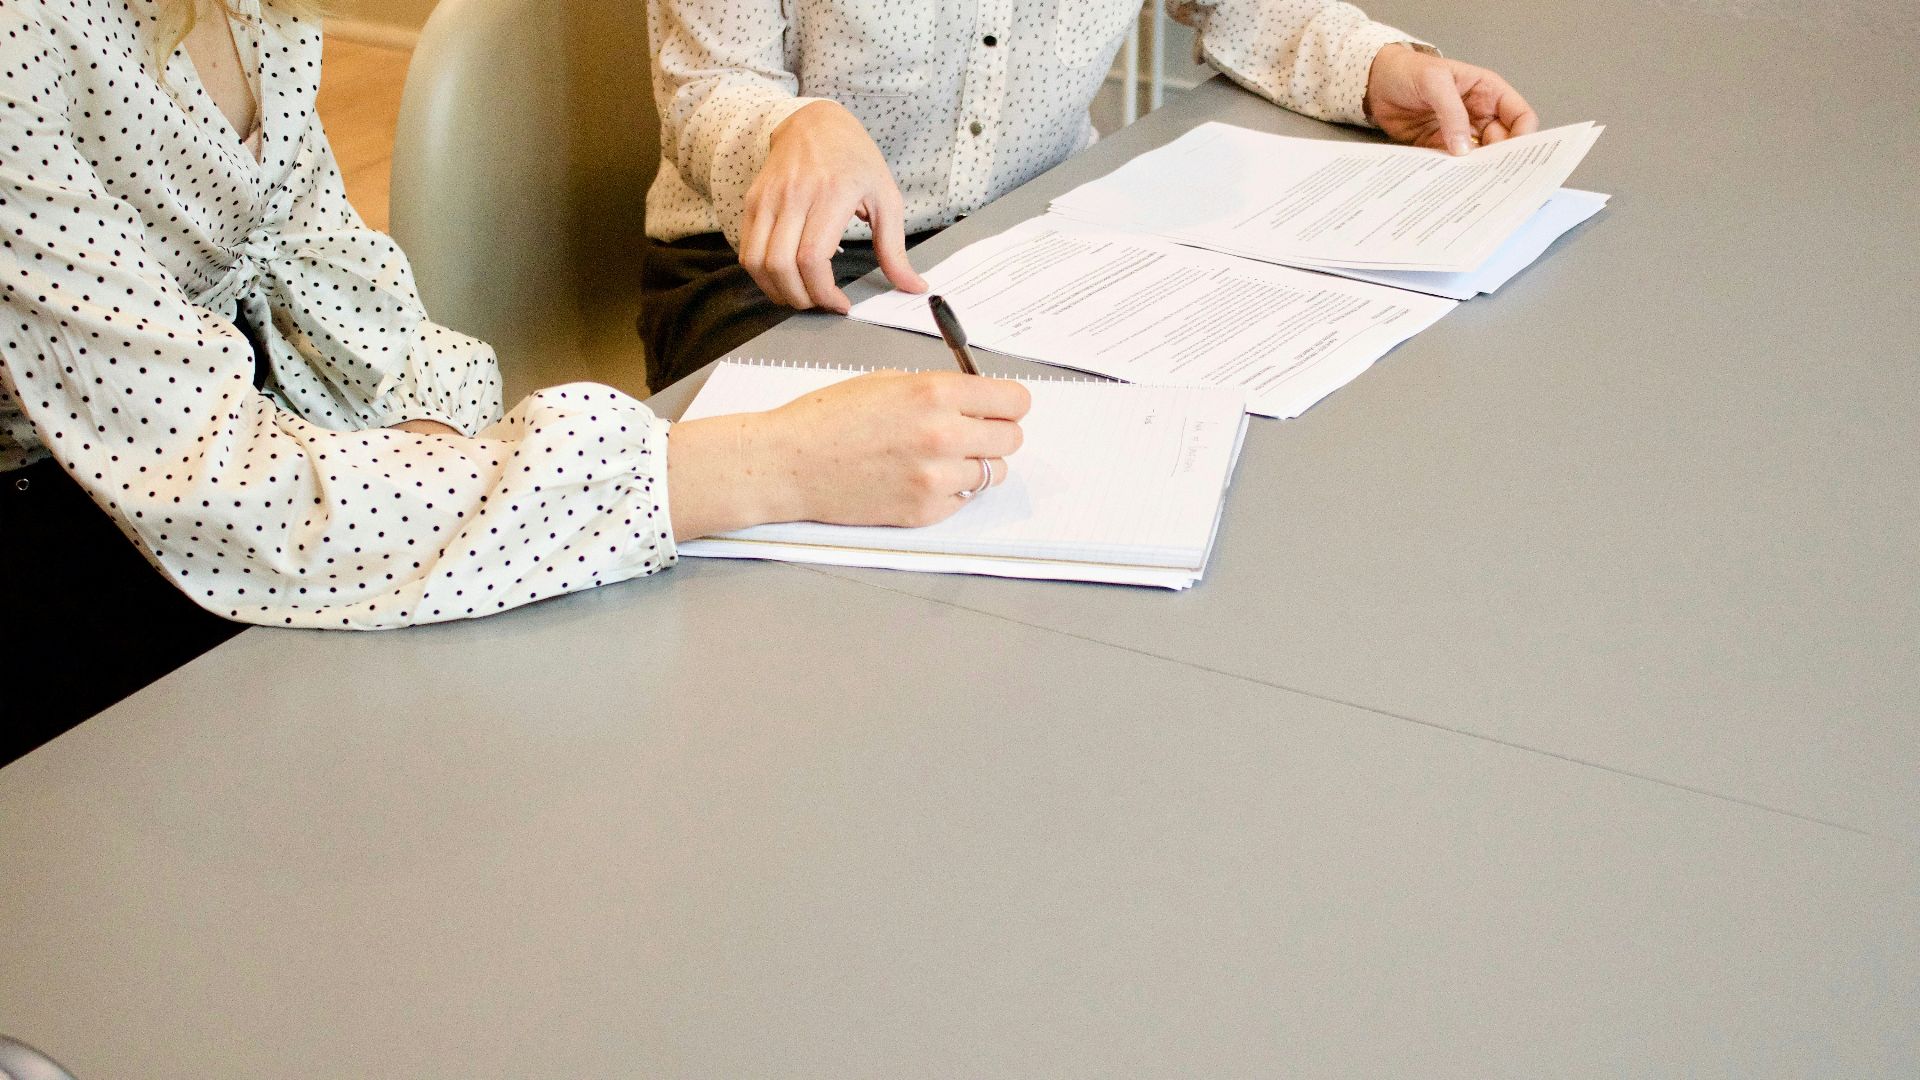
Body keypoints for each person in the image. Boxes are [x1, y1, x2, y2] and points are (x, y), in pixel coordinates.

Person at [0, 0, 1029, 764]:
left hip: (223, 441)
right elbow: (234, 495)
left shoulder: (248, 13)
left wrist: (455, 455)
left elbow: (333, 284)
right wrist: (762, 467)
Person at [639, 0, 1540, 389]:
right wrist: (791, 130)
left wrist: (1379, 68)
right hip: (765, 265)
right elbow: (707, 85)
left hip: (1032, 239)